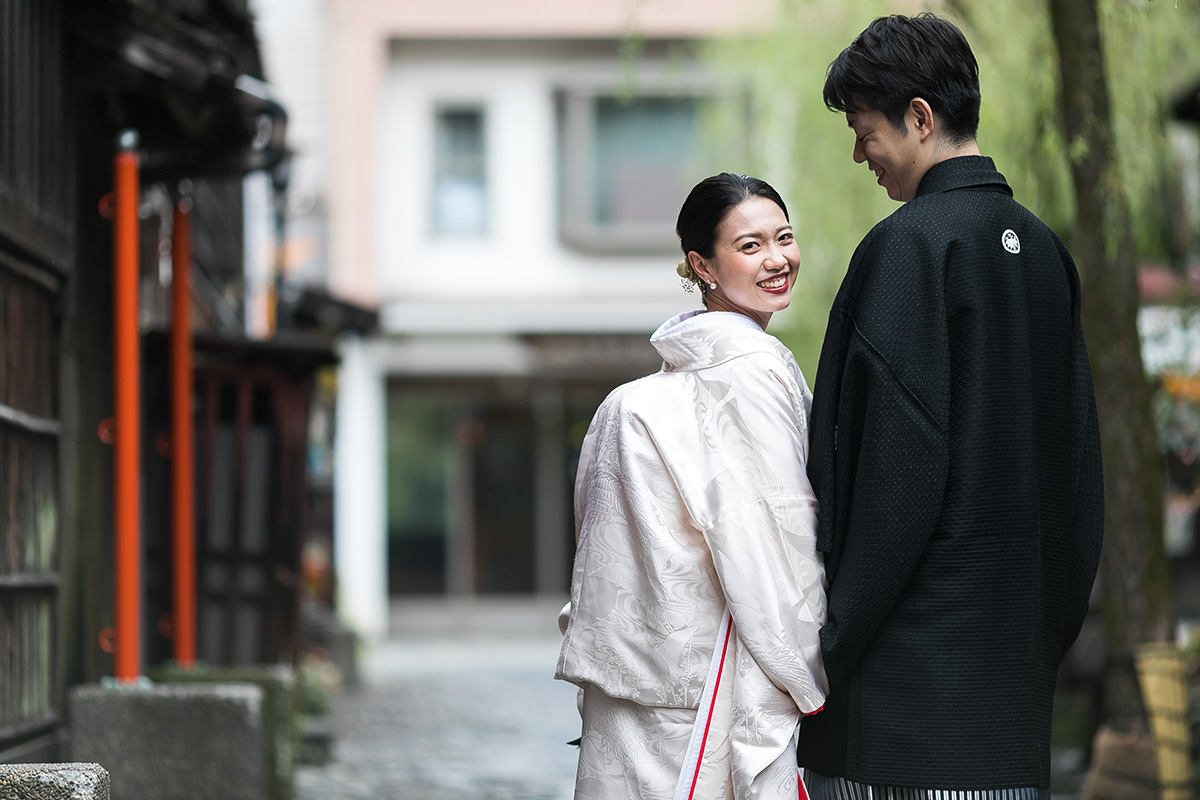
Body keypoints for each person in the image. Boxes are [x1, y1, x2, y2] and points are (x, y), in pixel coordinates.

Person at [796, 13, 1104, 799]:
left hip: (900, 721)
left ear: (921, 118)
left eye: (865, 131)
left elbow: (884, 487)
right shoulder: (1045, 254)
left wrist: (822, 650)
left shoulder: (906, 249)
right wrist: (1043, 642)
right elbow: (1078, 477)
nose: (858, 153)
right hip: (1009, 711)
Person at [556, 173, 828, 800]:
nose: (777, 259)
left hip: (631, 684)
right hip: (706, 684)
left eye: (783, 239)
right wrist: (809, 675)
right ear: (701, 265)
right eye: (750, 246)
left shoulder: (632, 402)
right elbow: (772, 540)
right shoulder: (751, 369)